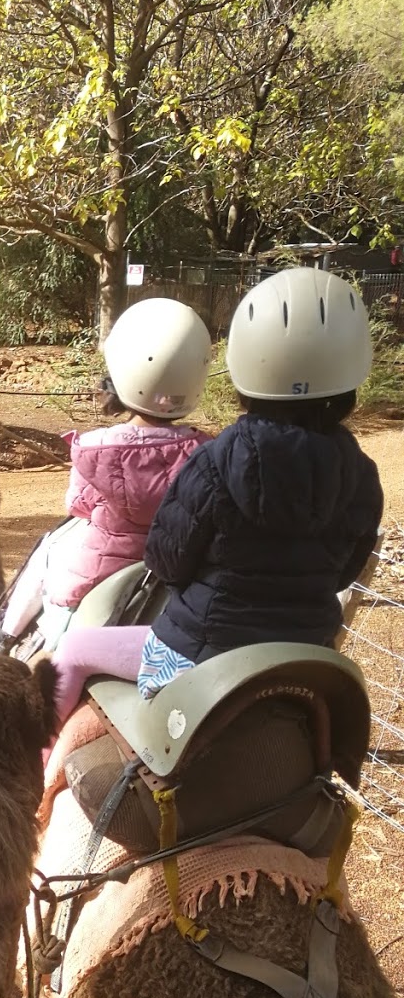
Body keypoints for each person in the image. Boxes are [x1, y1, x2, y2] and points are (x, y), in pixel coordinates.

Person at [48, 267, 384, 727]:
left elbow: (166, 562)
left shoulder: (213, 463)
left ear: (247, 364)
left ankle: (37, 762)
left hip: (195, 657)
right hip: (304, 660)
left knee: (73, 649)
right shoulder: (364, 477)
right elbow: (346, 570)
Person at [0, 298, 213, 653]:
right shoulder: (206, 450)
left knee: (50, 548)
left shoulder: (96, 446)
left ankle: (6, 635)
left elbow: (77, 506)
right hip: (178, 567)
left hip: (100, 569)